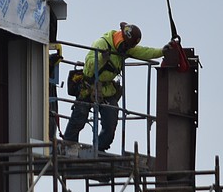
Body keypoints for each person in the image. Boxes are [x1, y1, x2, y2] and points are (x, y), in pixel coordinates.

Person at [61, 22, 163, 152]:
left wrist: (162, 51)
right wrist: (102, 58)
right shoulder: (101, 44)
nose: (126, 49)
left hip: (107, 89)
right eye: (126, 46)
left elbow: (145, 52)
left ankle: (99, 148)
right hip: (88, 86)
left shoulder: (125, 47)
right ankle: (68, 145)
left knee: (111, 119)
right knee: (79, 116)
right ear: (121, 37)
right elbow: (89, 68)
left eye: (129, 47)